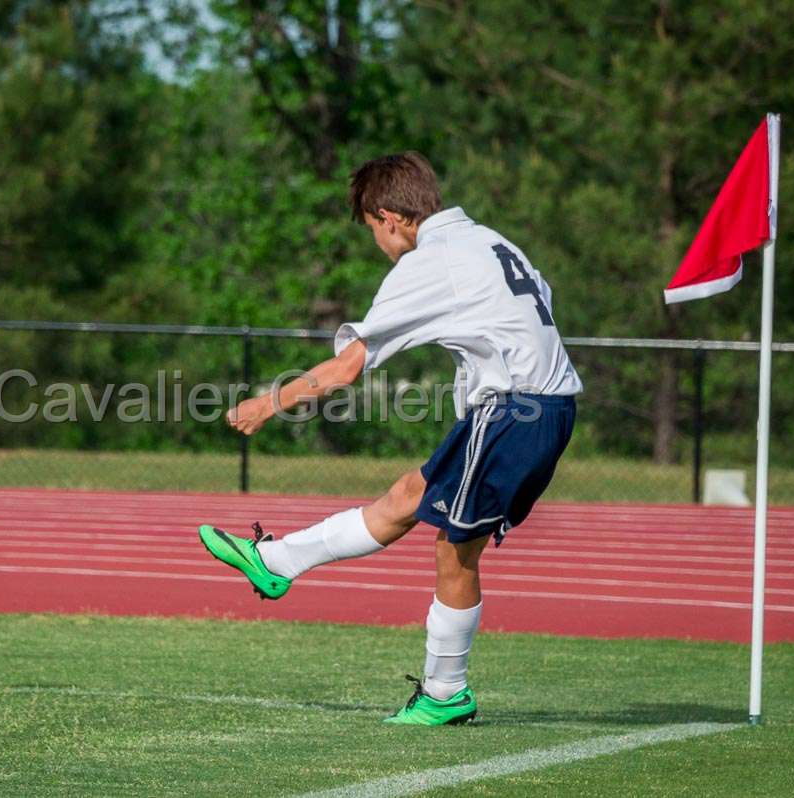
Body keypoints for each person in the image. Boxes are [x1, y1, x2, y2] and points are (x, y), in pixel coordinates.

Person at [198, 151, 582, 726]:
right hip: (532, 409)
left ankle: (446, 692)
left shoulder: (433, 260)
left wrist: (267, 403)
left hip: (514, 413)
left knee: (455, 549)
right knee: (408, 496)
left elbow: (347, 368)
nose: (378, 242)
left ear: (390, 217)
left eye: (373, 230)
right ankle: (275, 561)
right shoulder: (490, 240)